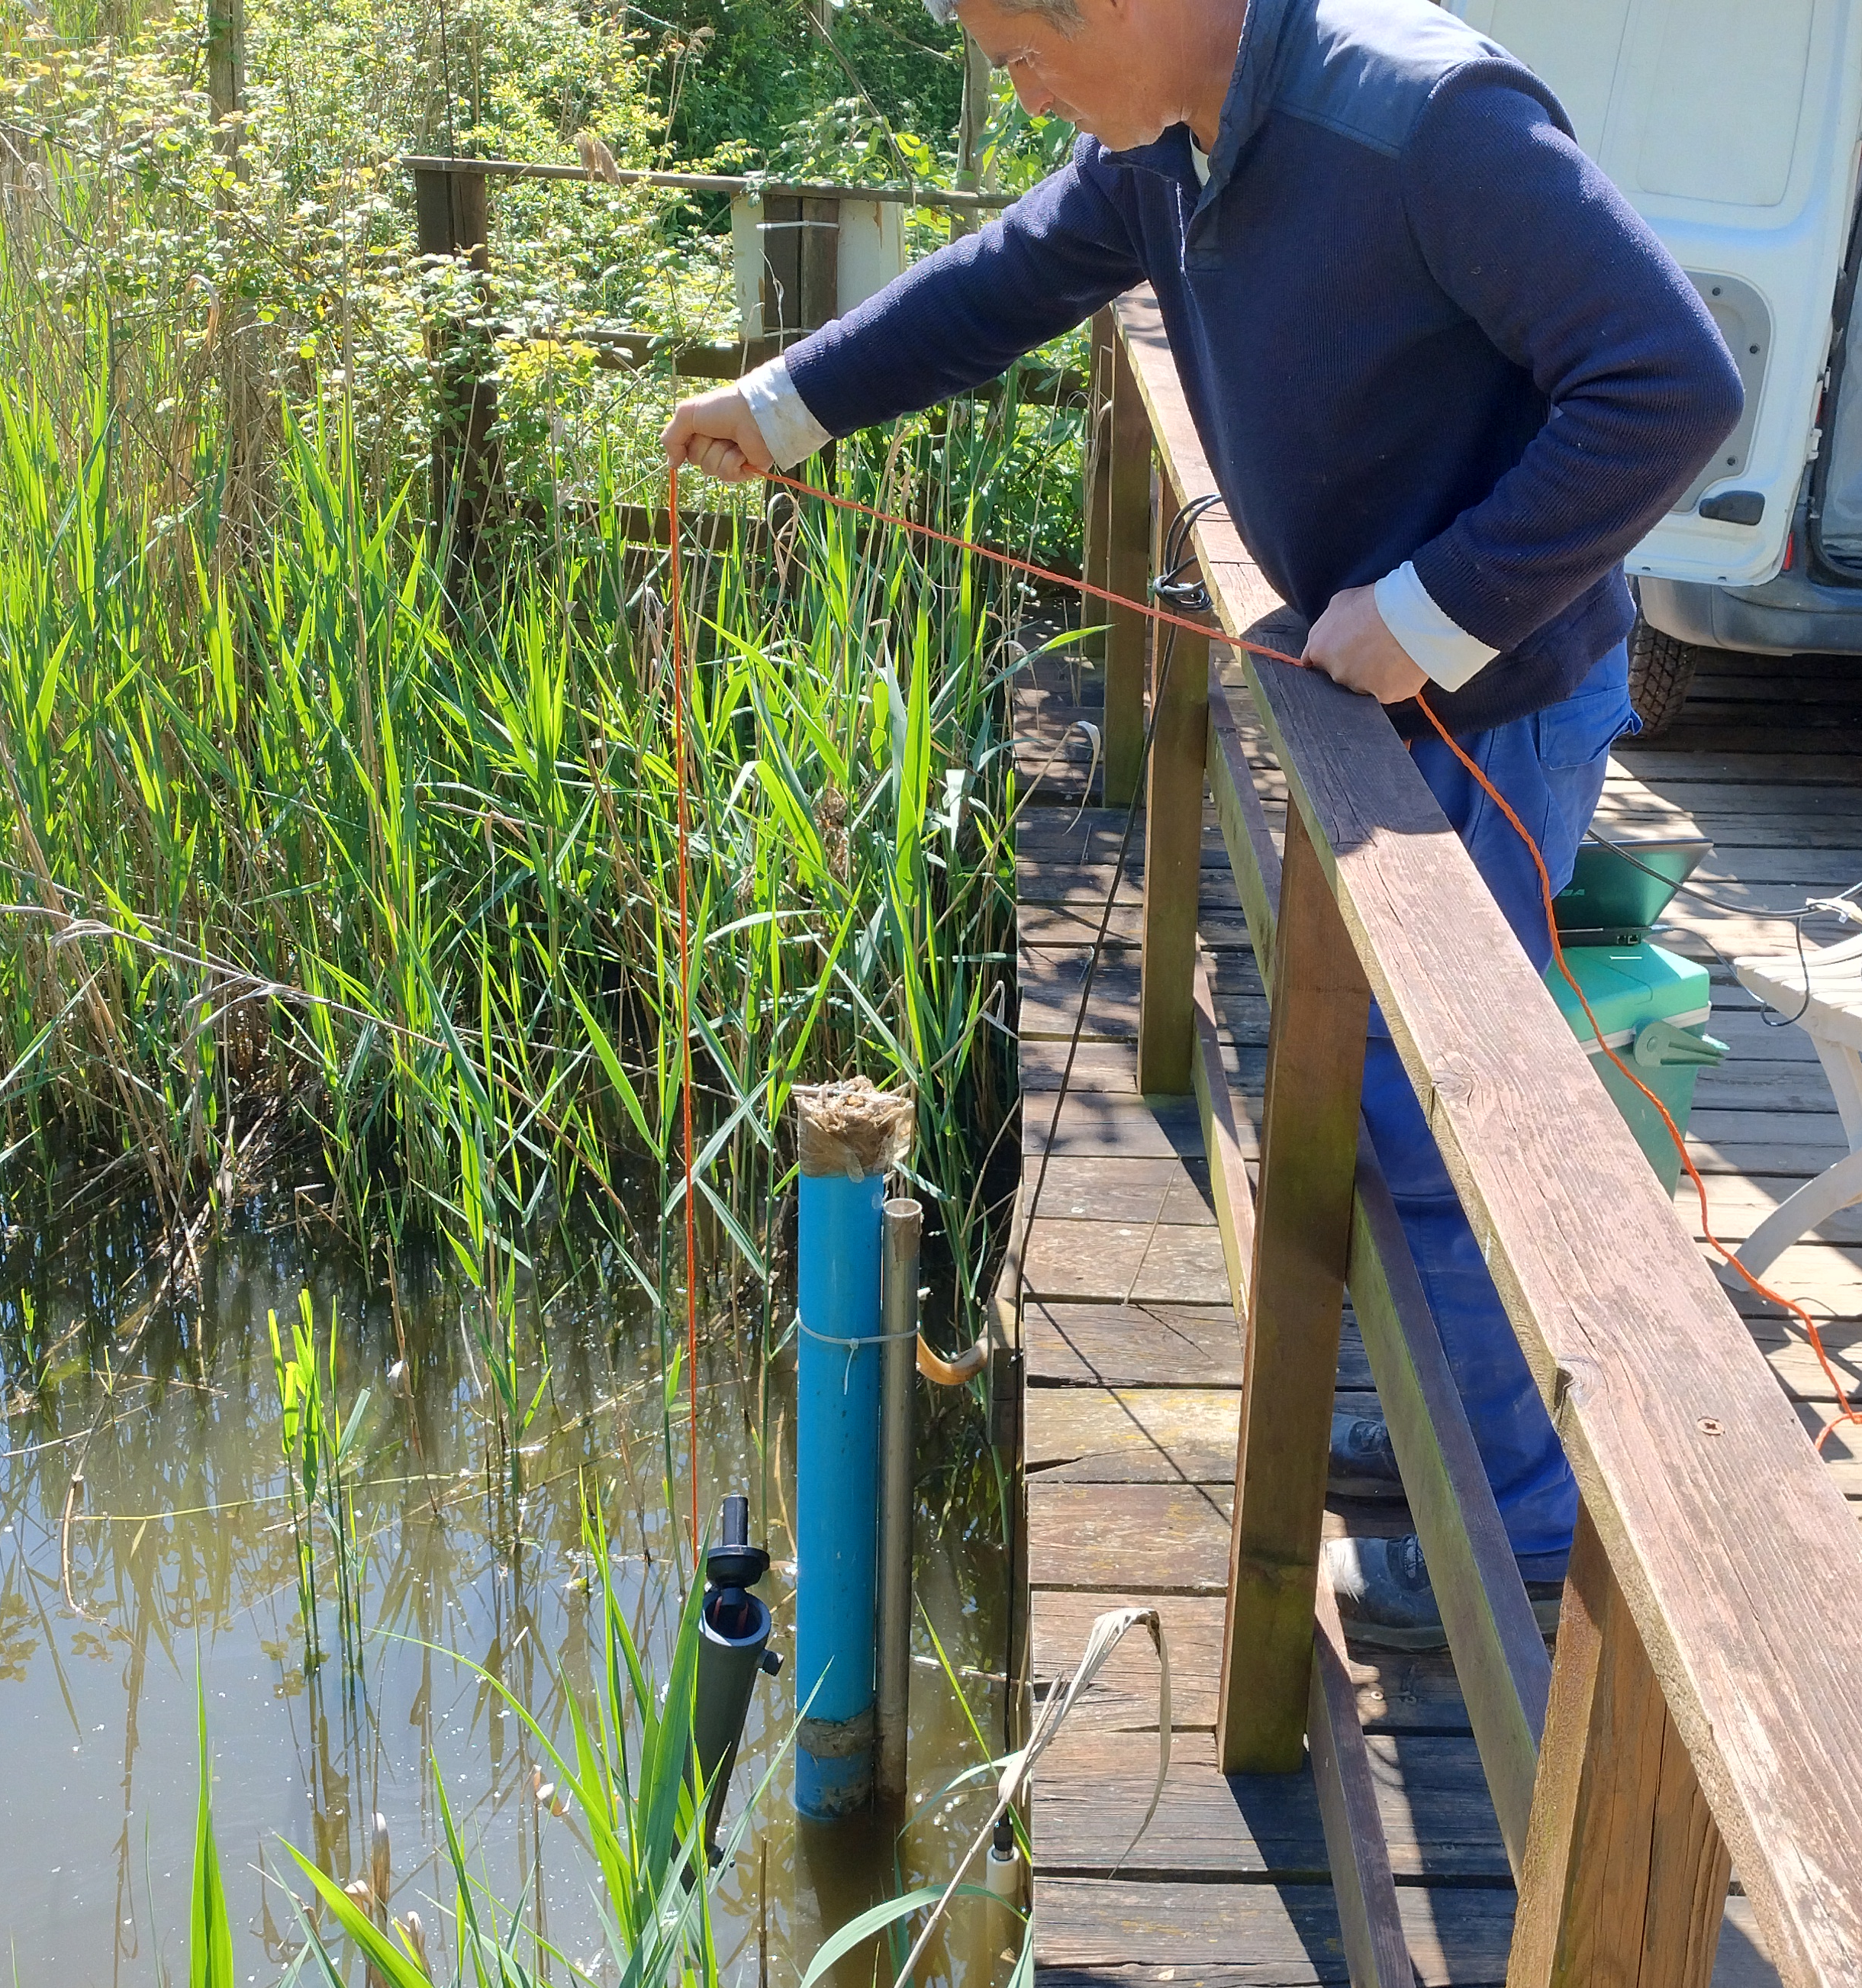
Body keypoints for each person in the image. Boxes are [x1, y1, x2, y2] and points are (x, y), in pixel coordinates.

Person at [663, 0, 1741, 1648]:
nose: (1008, 85)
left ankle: (1519, 1524)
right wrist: (788, 402)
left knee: (1436, 1107)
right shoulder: (1166, 136)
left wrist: (1439, 606)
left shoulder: (1426, 118)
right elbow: (1009, 275)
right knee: (1380, 1088)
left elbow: (1670, 385)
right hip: (1381, 695)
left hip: (1495, 710)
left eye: (1013, 46)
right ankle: (1459, 1419)